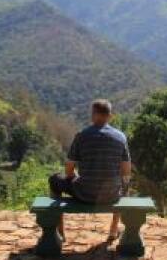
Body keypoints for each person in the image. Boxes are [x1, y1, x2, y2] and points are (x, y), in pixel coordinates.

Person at [48, 99, 132, 242]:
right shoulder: (120, 137)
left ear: (93, 115)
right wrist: (122, 186)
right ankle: (113, 229)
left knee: (54, 179)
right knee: (124, 184)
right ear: (110, 116)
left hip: (84, 193)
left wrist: (75, 178)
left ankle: (60, 232)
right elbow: (126, 171)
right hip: (111, 195)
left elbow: (69, 169)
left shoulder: (82, 136)